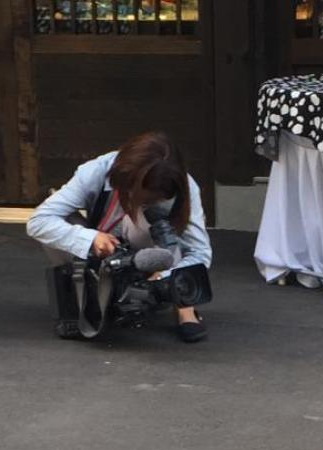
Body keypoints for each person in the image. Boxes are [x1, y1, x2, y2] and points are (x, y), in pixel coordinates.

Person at [27, 131, 212, 342]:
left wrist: (165, 276)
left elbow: (199, 252)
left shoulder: (187, 187)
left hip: (151, 258)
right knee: (59, 218)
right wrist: (90, 238)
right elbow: (38, 222)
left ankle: (184, 306)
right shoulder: (96, 170)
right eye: (137, 193)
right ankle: (87, 297)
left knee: (159, 225)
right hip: (102, 248)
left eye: (154, 198)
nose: (140, 201)